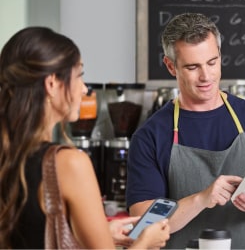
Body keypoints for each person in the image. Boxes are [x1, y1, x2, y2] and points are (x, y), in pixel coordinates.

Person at [126, 12, 245, 249]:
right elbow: (143, 223)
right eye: (192, 67)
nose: (206, 76)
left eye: (212, 62)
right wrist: (201, 199)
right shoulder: (151, 136)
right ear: (171, 66)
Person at [0, 27, 170, 249]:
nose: (84, 89)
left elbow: (32, 234)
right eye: (79, 75)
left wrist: (96, 234)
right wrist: (146, 243)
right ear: (52, 84)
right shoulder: (69, 164)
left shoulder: (7, 155)